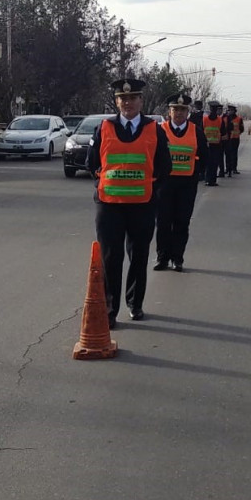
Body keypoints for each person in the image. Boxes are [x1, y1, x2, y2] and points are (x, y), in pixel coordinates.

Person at [87, 78, 172, 327]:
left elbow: (164, 167)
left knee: (138, 255)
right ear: (117, 101)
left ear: (140, 101)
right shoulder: (103, 127)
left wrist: (149, 188)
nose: (128, 103)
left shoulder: (155, 129)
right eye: (123, 99)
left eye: (133, 98)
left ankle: (135, 304)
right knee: (110, 258)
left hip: (142, 205)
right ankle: (110, 310)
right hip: (109, 204)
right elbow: (92, 164)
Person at [154, 93, 208, 273]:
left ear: (188, 112)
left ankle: (177, 258)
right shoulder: (159, 130)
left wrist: (195, 172)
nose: (178, 113)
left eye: (182, 110)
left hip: (186, 184)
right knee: (162, 222)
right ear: (169, 111)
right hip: (164, 184)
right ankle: (162, 258)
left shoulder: (196, 131)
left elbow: (204, 157)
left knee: (181, 222)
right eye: (175, 109)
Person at [201, 101, 225, 186]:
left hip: (215, 145)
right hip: (209, 146)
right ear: (211, 109)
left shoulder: (219, 120)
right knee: (210, 163)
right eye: (213, 108)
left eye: (215, 109)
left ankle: (211, 180)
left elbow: (223, 132)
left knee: (212, 163)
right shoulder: (205, 119)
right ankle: (209, 180)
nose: (214, 110)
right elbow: (201, 132)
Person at [223, 104, 246, 175]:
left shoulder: (239, 119)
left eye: (232, 110)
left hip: (235, 139)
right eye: (229, 110)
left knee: (234, 154)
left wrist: (237, 133)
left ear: (234, 111)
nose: (230, 111)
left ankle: (234, 168)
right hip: (227, 139)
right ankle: (227, 168)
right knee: (227, 154)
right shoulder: (225, 118)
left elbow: (242, 129)